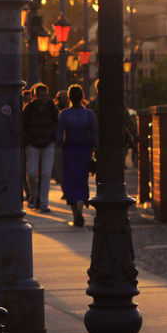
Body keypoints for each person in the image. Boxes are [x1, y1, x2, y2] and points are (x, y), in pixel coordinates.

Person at [57, 83, 98, 227]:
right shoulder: (89, 114)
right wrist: (93, 149)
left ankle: (75, 214)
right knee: (82, 180)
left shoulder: (64, 114)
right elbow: (94, 136)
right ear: (82, 97)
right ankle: (80, 207)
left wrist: (62, 145)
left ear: (69, 97)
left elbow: (59, 136)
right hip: (84, 150)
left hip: (69, 150)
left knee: (70, 181)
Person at [21, 83, 58, 213]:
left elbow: (57, 123)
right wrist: (28, 140)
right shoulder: (29, 108)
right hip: (33, 144)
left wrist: (53, 137)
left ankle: (43, 203)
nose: (43, 98)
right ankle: (33, 197)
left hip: (48, 144)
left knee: (46, 174)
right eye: (41, 95)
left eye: (45, 95)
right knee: (31, 173)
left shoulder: (51, 107)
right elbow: (23, 125)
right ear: (35, 96)